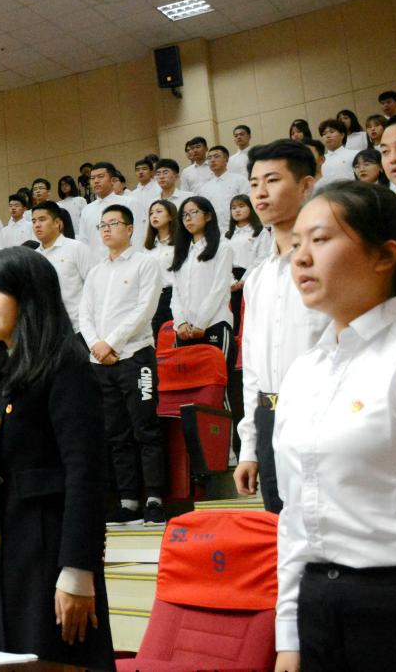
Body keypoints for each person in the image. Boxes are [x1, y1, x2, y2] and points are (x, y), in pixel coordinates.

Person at [271, 180, 396, 672]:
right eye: (296, 243)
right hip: (319, 609)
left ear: (384, 255)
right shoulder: (303, 371)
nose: (301, 257)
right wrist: (289, 636)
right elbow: (295, 517)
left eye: (321, 240)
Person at [0, 248, 113, 669]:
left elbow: (86, 475)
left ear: (29, 295)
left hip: (44, 565)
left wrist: (78, 569)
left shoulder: (66, 366)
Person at [234, 141, 328, 514]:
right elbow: (252, 369)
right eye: (254, 183)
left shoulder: (328, 263)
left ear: (306, 185)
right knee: (281, 533)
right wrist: (249, 447)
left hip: (320, 412)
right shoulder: (258, 279)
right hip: (269, 417)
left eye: (272, 180)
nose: (260, 192)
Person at [79, 204, 165, 526]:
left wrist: (112, 343)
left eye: (113, 223)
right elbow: (84, 315)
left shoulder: (146, 263)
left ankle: (154, 498)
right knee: (115, 433)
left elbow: (145, 309)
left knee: (145, 428)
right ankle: (128, 501)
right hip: (100, 361)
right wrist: (96, 345)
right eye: (102, 225)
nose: (105, 229)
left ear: (129, 228)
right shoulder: (96, 271)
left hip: (135, 356)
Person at [170, 197, 235, 354]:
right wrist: (180, 322)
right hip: (185, 330)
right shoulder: (182, 251)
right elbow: (176, 293)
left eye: (193, 212)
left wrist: (201, 322)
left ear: (208, 216)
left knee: (218, 371)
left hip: (214, 324)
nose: (188, 218)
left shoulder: (223, 248)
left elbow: (219, 289)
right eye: (184, 215)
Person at [33, 201, 93, 331]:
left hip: (78, 328)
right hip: (48, 330)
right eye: (34, 221)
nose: (37, 225)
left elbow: (93, 286)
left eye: (42, 220)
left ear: (57, 223)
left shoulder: (76, 248)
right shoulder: (34, 257)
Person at [144, 200, 181, 337]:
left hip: (174, 294)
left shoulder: (180, 243)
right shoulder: (149, 246)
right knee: (156, 336)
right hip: (153, 296)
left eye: (159, 212)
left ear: (171, 216)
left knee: (173, 336)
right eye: (151, 213)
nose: (154, 216)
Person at [197, 146, 248, 212]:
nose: (212, 160)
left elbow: (248, 203)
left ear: (226, 159)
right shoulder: (204, 188)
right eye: (209, 158)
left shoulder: (240, 180)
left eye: (216, 156)